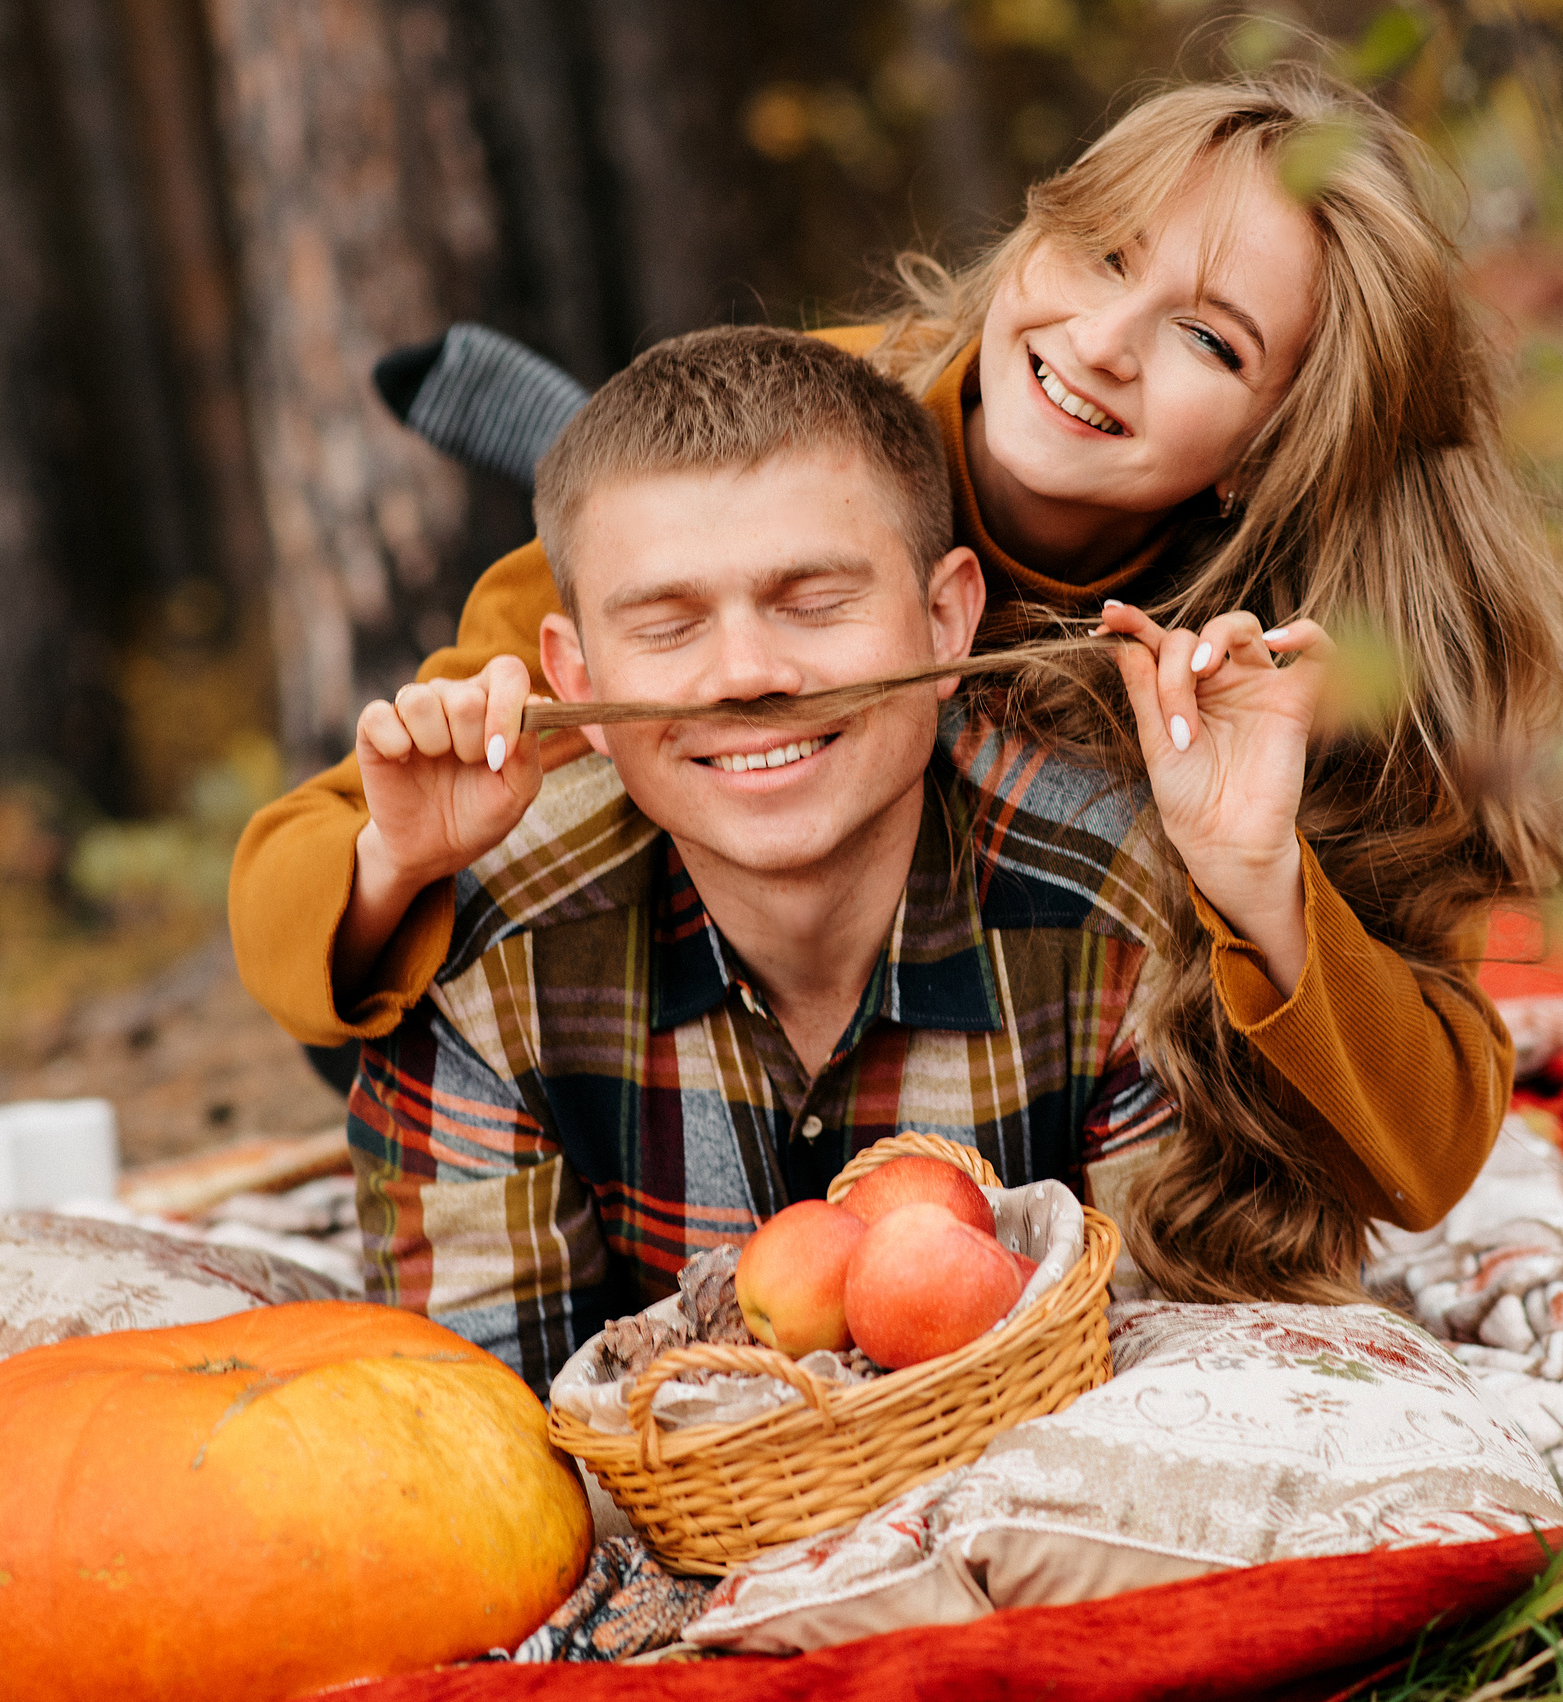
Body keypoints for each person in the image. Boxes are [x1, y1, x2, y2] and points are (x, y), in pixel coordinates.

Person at [232, 65, 1563, 1307]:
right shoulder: (803, 450)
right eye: (1102, 252)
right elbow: (301, 904)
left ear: (1276, 438)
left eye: (1210, 341)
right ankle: (567, 433)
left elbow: (1423, 1160)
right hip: (709, 940)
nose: (1104, 339)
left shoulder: (1316, 654)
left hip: (1027, 1014)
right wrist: (388, 869)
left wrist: (1261, 880)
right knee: (474, 929)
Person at [344, 327, 1189, 1384]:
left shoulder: (1113, 913)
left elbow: (1184, 1377)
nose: (746, 673)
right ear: (576, 677)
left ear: (944, 623)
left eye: (814, 603)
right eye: (666, 624)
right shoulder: (488, 961)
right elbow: (482, 1439)